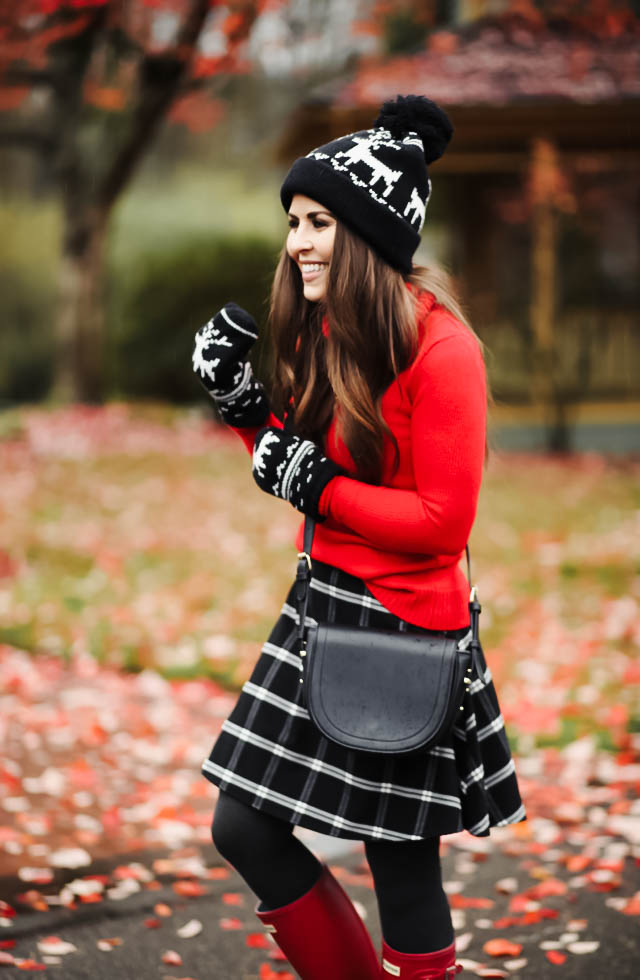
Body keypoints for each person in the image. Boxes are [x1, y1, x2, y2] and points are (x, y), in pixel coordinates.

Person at [193, 95, 526, 980]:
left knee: (401, 858)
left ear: (371, 233)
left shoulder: (443, 350)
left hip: (407, 626)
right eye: (294, 222)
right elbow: (301, 470)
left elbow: (439, 523)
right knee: (242, 822)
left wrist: (318, 484)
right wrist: (241, 410)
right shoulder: (333, 330)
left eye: (318, 223)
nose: (298, 242)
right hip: (324, 606)